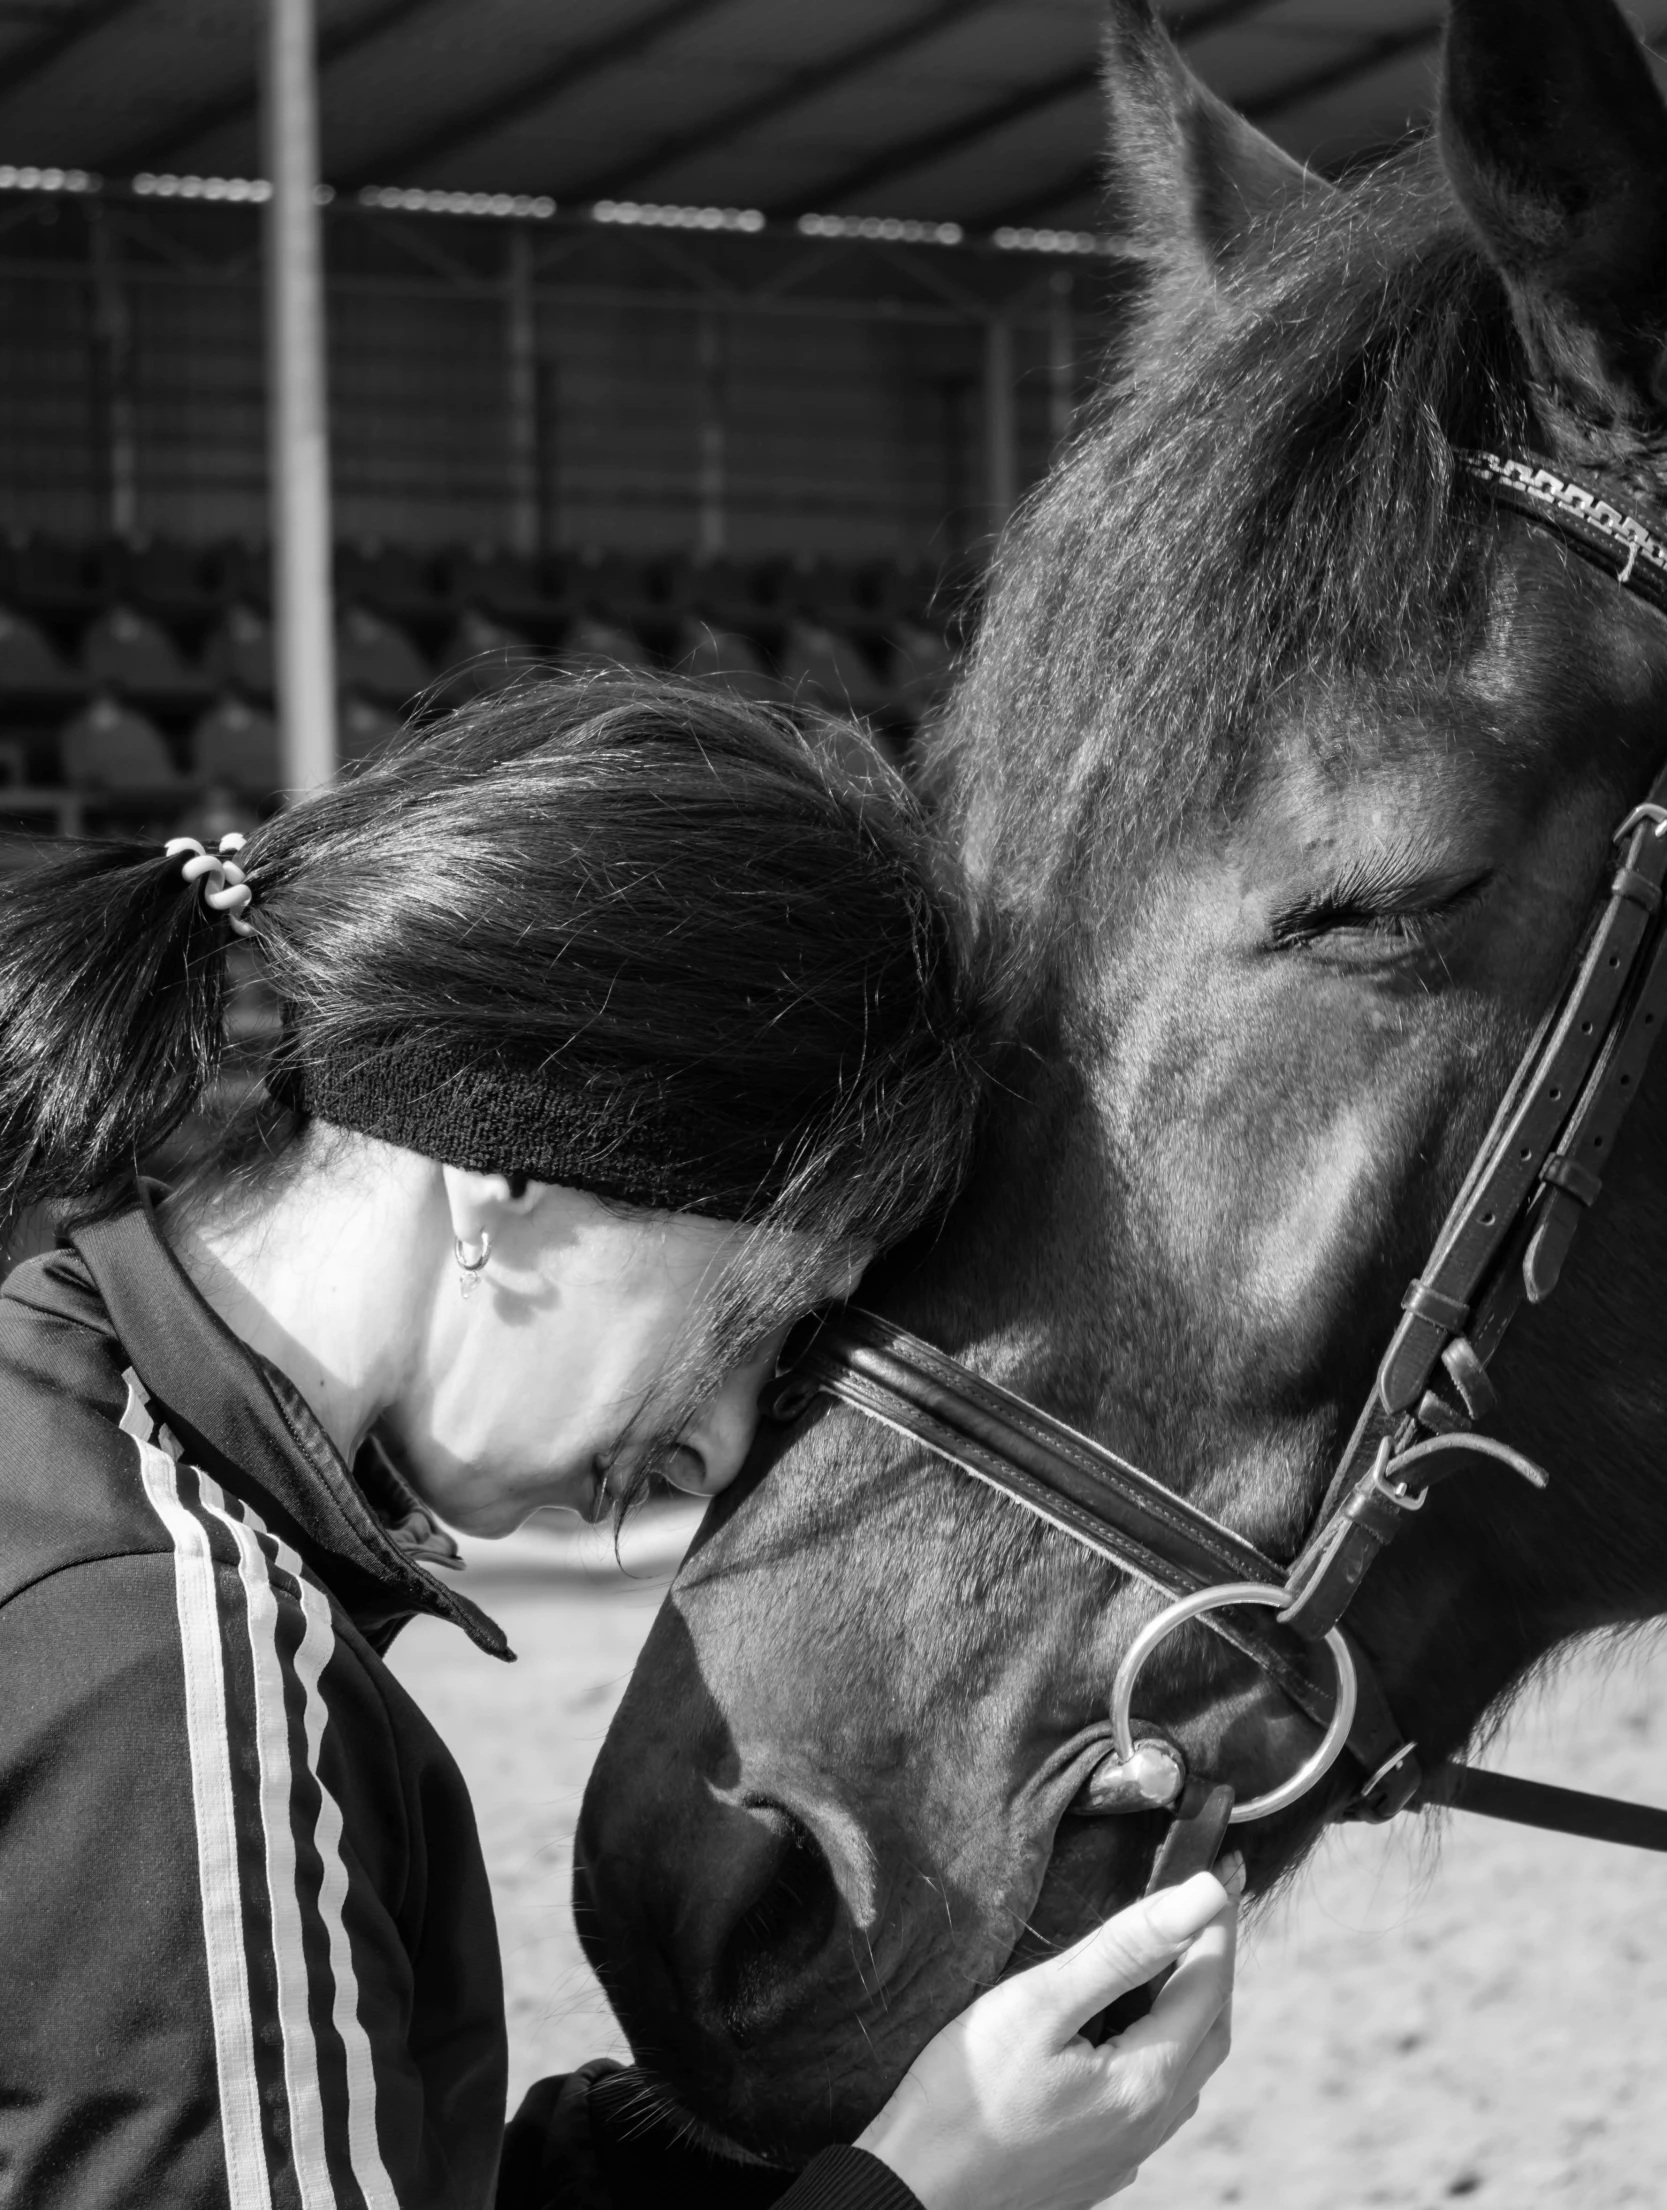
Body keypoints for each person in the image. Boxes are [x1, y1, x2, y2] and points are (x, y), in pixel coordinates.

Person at [0, 675, 1238, 2209]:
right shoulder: (166, 1659)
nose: (717, 1443)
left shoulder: (61, 1439)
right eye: (750, 1325)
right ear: (512, 1169)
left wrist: (752, 2152)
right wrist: (929, 2190)